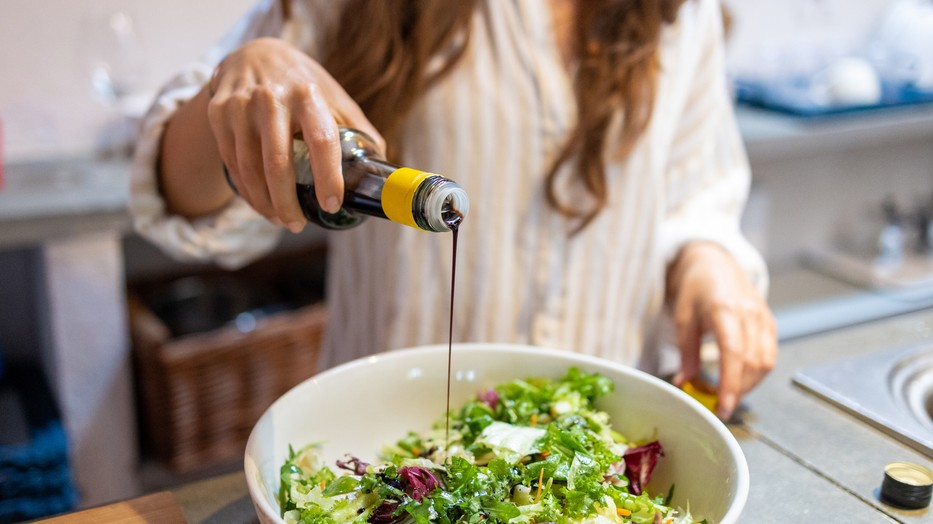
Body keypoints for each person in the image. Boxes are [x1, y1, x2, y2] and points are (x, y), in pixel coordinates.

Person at [131, 0, 777, 420]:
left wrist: (706, 260)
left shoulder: (679, 14)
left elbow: (695, 192)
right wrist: (240, 77)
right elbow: (189, 207)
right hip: (390, 446)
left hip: (601, 445)